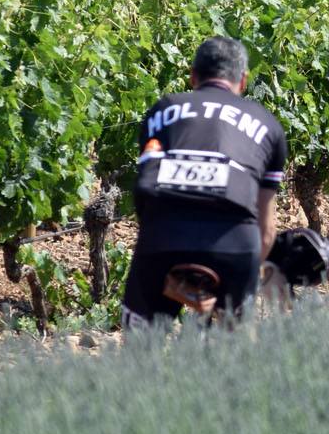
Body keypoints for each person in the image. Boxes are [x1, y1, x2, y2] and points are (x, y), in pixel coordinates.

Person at [121, 36, 288, 329]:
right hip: (234, 243)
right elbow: (266, 229)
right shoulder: (267, 123)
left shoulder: (162, 110)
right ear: (244, 80)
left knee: (140, 349)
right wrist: (246, 273)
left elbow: (145, 194)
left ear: (193, 76)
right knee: (229, 351)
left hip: (163, 236)